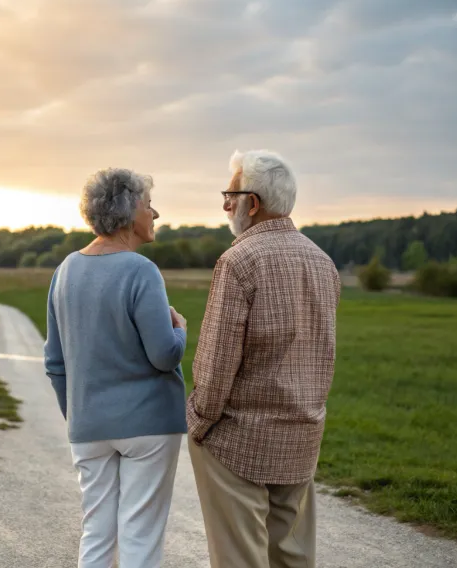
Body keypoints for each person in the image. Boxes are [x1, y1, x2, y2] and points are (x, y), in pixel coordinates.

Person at [187, 150, 341, 568]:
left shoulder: (238, 261)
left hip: (239, 439)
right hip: (302, 434)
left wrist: (199, 420)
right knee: (292, 556)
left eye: (230, 194)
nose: (225, 205)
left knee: (240, 558)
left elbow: (216, 364)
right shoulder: (323, 262)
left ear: (251, 204)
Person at [44, 167, 188, 568]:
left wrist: (78, 415)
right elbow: (164, 355)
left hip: (88, 426)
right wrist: (181, 331)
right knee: (140, 535)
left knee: (96, 535)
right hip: (150, 426)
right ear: (128, 211)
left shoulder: (64, 271)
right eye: (148, 205)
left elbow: (55, 364)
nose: (155, 214)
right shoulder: (141, 270)